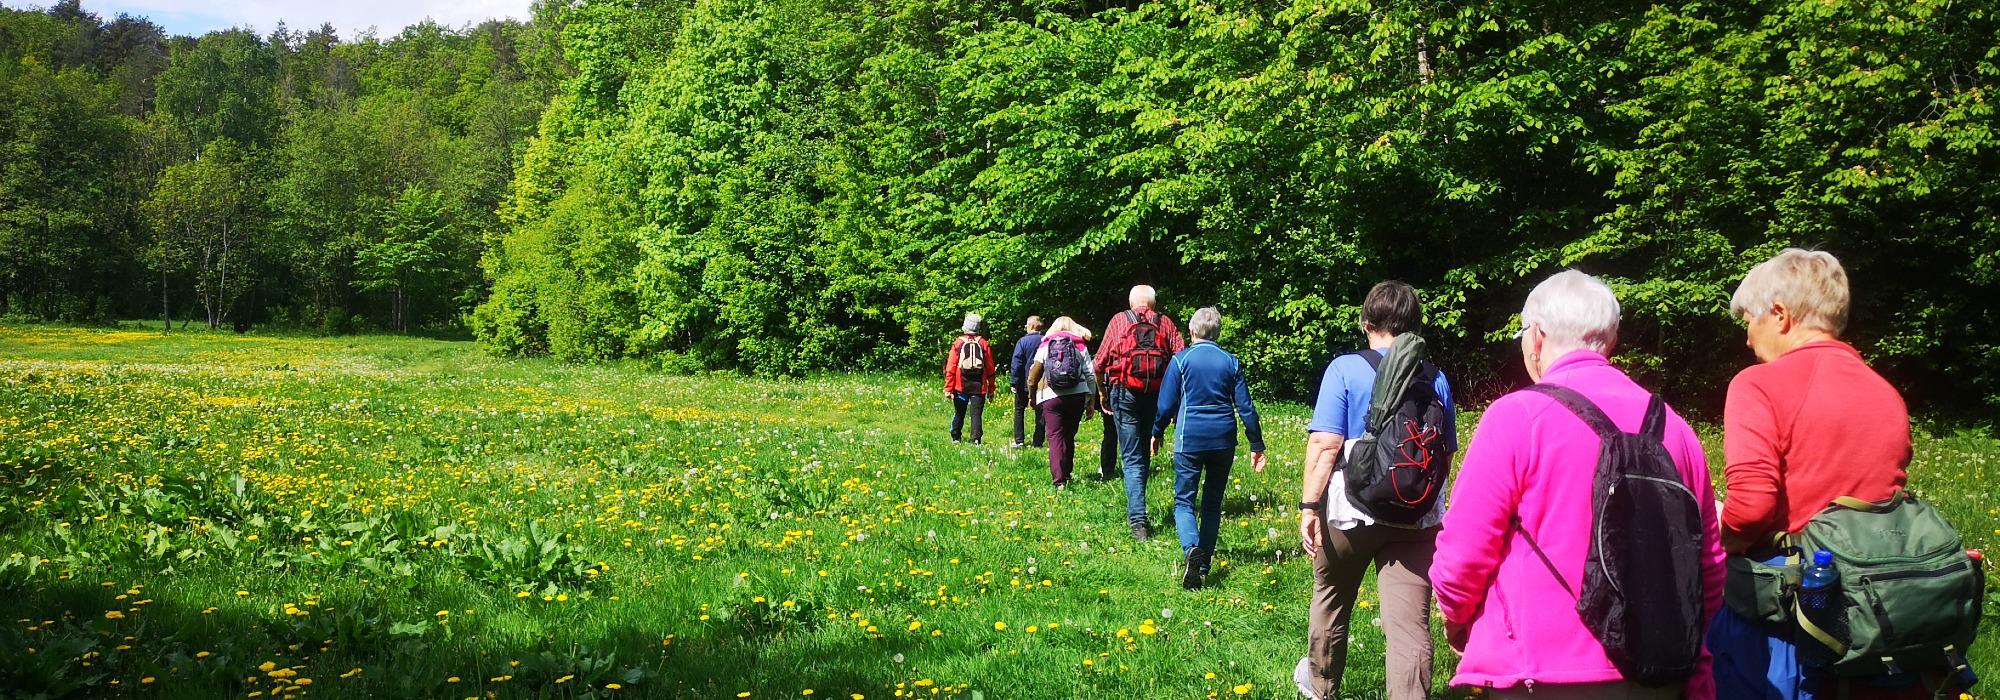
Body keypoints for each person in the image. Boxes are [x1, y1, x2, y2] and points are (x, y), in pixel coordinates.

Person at [1428, 270, 1724, 699]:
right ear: (1611, 340)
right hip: (1657, 672)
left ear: (1537, 337)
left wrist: (1457, 620)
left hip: (1540, 675)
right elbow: (1709, 568)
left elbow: (1464, 553)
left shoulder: (1517, 418)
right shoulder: (1675, 429)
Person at [1708, 249, 1937, 699]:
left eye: (1750, 321)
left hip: (1788, 616)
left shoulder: (1758, 384)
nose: (1748, 340)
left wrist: (1722, 540)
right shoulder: (1884, 390)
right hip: (1872, 613)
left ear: (1779, 315)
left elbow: (1753, 506)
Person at [1295, 281, 1460, 700]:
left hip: (1351, 511)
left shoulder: (1345, 369)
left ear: (1366, 322)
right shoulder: (1436, 377)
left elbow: (1324, 444)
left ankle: (1320, 687)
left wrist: (1309, 506)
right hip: (1415, 516)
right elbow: (1445, 456)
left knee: (1331, 599)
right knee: (1409, 625)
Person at [1151, 307, 1266, 589]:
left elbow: (1166, 405)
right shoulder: (1231, 361)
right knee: (1212, 503)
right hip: (1223, 439)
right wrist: (1256, 443)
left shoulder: (1181, 360)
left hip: (1189, 437)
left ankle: (1191, 547)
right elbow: (1246, 408)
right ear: (1218, 333)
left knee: (1184, 501)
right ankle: (1202, 564)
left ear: (1191, 332)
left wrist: (1156, 432)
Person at [1096, 285, 1186, 540]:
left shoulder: (1119, 321)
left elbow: (1099, 362)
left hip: (1124, 393)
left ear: (1131, 302)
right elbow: (1181, 361)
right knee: (1145, 451)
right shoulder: (1166, 323)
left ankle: (1138, 521)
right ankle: (1139, 512)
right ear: (1153, 304)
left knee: (1132, 457)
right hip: (1156, 395)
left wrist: (1102, 393)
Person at [1025, 316, 1098, 487]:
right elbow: (1089, 374)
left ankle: (1059, 481)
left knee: (1055, 437)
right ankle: (1067, 473)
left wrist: (1032, 395)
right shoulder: (1079, 344)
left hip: (1051, 396)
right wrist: (1091, 400)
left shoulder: (1046, 344)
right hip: (1076, 396)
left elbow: (1033, 374)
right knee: (1069, 436)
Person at [943, 313, 996, 443]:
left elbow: (951, 367)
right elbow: (990, 368)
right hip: (980, 387)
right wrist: (991, 388)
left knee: (959, 412)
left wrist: (948, 388)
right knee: (976, 415)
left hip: (960, 386)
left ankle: (956, 436)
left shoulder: (958, 343)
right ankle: (976, 439)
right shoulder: (983, 343)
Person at [1009, 316, 1048, 449]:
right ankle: (1038, 441)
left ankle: (1019, 440)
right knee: (1040, 413)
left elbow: (1017, 363)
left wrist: (1014, 382)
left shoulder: (1023, 341)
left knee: (1019, 410)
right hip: (1043, 384)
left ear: (1031, 326)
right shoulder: (1046, 341)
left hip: (1024, 383)